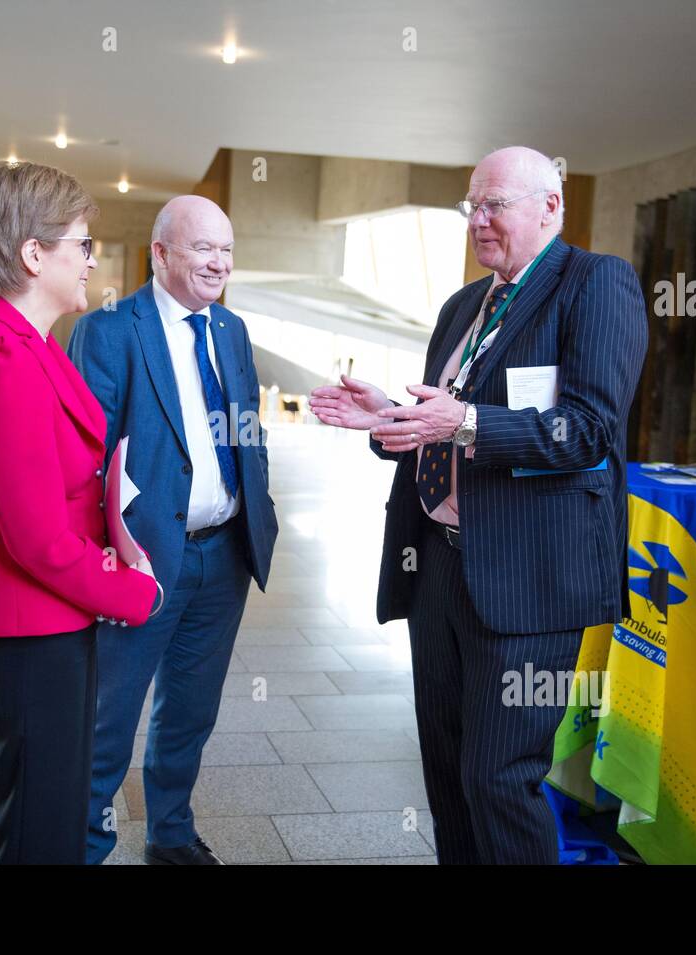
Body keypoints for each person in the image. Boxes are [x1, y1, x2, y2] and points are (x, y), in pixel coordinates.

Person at [310, 146, 647, 864]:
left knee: (499, 779)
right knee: (448, 771)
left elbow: (588, 431)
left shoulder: (594, 285)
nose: (479, 220)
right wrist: (390, 416)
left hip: (528, 579)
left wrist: (458, 421)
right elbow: (444, 419)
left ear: (550, 206)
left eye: (496, 204)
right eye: (473, 206)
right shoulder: (464, 305)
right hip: (439, 567)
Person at [0, 160, 161, 864]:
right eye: (83, 244)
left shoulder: (30, 347)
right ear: (34, 255)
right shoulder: (2, 359)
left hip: (49, 619)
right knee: (39, 833)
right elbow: (35, 539)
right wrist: (133, 590)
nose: (93, 259)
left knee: (45, 815)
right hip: (26, 626)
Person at [68, 195, 278, 865]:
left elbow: (247, 432)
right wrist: (104, 558)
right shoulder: (111, 330)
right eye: (202, 248)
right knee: (109, 718)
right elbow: (83, 460)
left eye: (226, 249)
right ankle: (86, 844)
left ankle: (171, 833)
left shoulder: (232, 330)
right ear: (160, 254)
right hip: (144, 563)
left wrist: (256, 503)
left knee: (190, 711)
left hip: (224, 558)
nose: (219, 262)